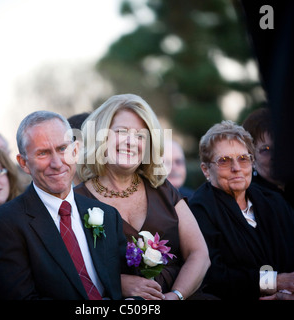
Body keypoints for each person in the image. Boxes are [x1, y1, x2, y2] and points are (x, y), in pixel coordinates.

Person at [75, 94, 210, 300]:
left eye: (140, 136)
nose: (131, 142)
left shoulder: (162, 188)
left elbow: (199, 254)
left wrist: (175, 296)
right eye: (121, 132)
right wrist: (116, 283)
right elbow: (69, 271)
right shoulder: (77, 201)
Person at [0, 111, 127, 300]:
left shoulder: (107, 215)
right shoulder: (2, 225)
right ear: (23, 163)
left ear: (75, 151)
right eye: (43, 153)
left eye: (62, 148)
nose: (57, 163)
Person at [188, 120, 294, 300]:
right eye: (224, 160)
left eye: (243, 159)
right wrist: (272, 282)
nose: (236, 168)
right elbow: (213, 275)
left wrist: (288, 292)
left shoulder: (273, 201)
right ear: (206, 169)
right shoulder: (199, 209)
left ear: (252, 163)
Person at [242, 108, 285, 193]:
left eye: (281, 147)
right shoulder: (252, 198)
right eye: (266, 149)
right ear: (251, 158)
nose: (276, 155)